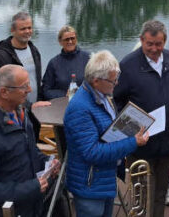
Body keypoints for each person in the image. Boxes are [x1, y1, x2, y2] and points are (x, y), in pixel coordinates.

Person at [113, 19, 169, 217]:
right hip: (140, 141)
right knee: (139, 191)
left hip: (168, 139)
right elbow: (117, 102)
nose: (154, 49)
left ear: (165, 41)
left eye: (159, 44)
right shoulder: (127, 65)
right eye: (149, 44)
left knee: (161, 191)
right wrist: (131, 131)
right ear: (141, 40)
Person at [0, 65, 60, 217]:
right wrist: (31, 188)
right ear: (4, 92)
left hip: (30, 207)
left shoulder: (20, 114)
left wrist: (48, 161)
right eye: (24, 86)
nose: (30, 90)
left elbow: (29, 150)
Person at [64, 50, 149, 216]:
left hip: (103, 180)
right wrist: (133, 142)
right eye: (113, 80)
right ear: (96, 81)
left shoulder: (103, 96)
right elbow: (92, 152)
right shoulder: (80, 108)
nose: (116, 83)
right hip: (90, 187)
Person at [0, 12, 43, 105]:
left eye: (29, 28)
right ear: (12, 30)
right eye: (23, 29)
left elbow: (38, 79)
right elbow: (1, 91)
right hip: (12, 111)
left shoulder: (34, 50)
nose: (27, 31)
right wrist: (29, 106)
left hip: (34, 108)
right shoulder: (1, 56)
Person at [42, 25, 90, 99]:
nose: (70, 41)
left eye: (72, 38)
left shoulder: (88, 58)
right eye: (66, 39)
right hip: (62, 106)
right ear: (60, 42)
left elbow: (97, 83)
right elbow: (46, 91)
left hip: (85, 102)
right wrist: (64, 94)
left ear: (76, 39)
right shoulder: (54, 63)